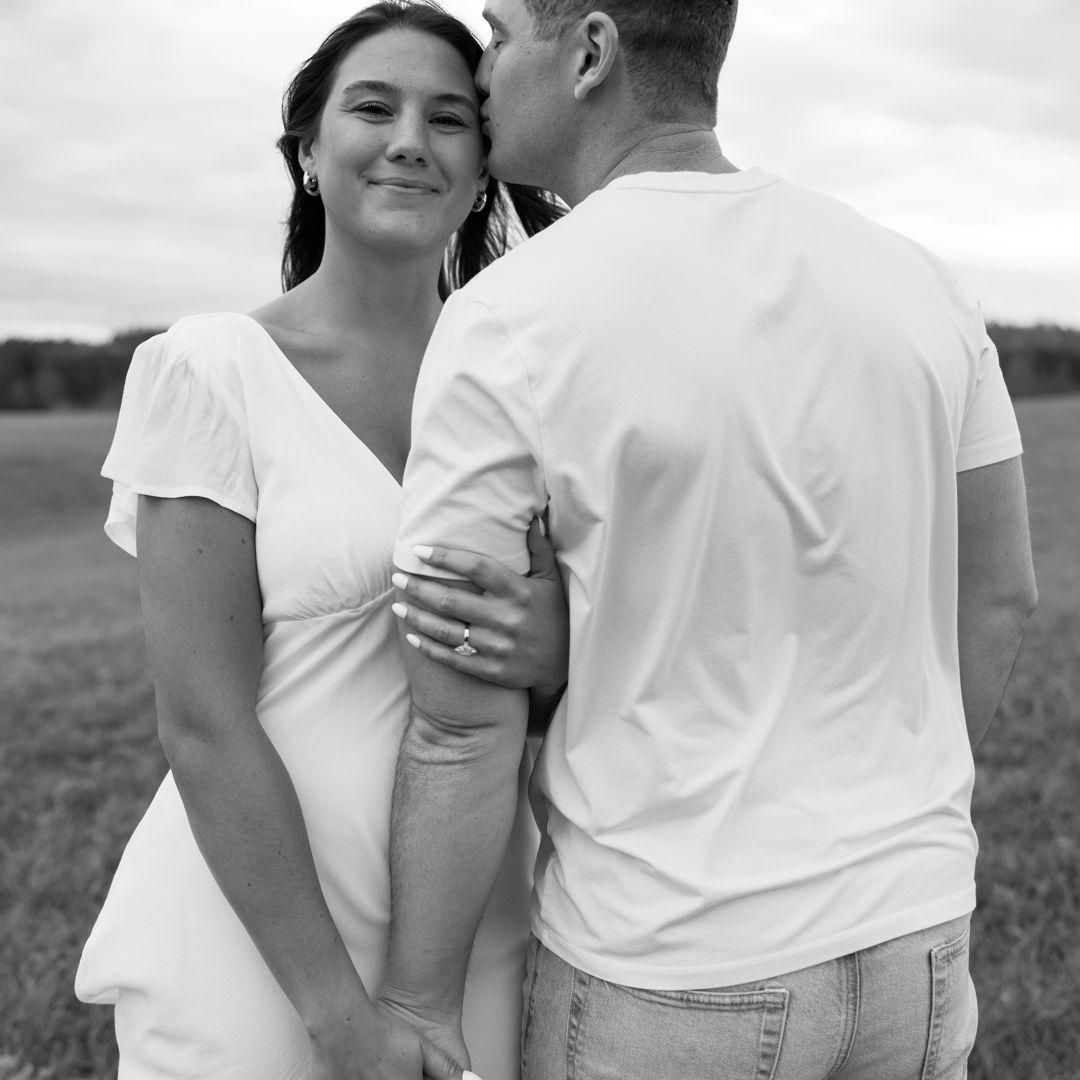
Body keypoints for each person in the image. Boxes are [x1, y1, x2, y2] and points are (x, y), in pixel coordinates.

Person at [384, 0, 1038, 1077]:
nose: (482, 70)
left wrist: (415, 999)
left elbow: (459, 724)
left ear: (591, 53)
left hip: (670, 965)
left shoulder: (509, 315)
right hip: (916, 939)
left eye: (501, 35)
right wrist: (899, 818)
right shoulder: (919, 280)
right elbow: (1001, 592)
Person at [74, 4, 568, 1079]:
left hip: (473, 922)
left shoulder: (528, 379)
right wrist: (333, 1010)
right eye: (373, 109)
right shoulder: (212, 369)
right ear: (306, 153)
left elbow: (584, 666)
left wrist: (550, 658)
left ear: (483, 168)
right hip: (265, 947)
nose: (410, 141)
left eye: (449, 118)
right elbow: (202, 721)